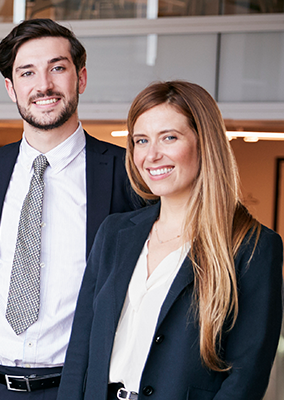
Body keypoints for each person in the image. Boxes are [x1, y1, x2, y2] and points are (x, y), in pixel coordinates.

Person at [59, 81, 283, 400]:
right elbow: (80, 350)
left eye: (169, 137)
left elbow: (246, 376)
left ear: (204, 143)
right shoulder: (114, 233)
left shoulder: (252, 246)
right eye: (141, 140)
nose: (151, 155)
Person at [0, 18, 143, 399]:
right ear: (11, 88)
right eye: (27, 73)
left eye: (57, 68)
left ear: (81, 78)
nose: (43, 85)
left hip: (77, 385)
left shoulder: (127, 174)